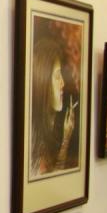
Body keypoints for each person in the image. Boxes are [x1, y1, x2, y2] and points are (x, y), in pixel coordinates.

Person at [30, 36, 77, 176]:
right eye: (57, 76)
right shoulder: (33, 137)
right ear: (43, 82)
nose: (63, 83)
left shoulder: (49, 126)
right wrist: (66, 140)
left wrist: (66, 137)